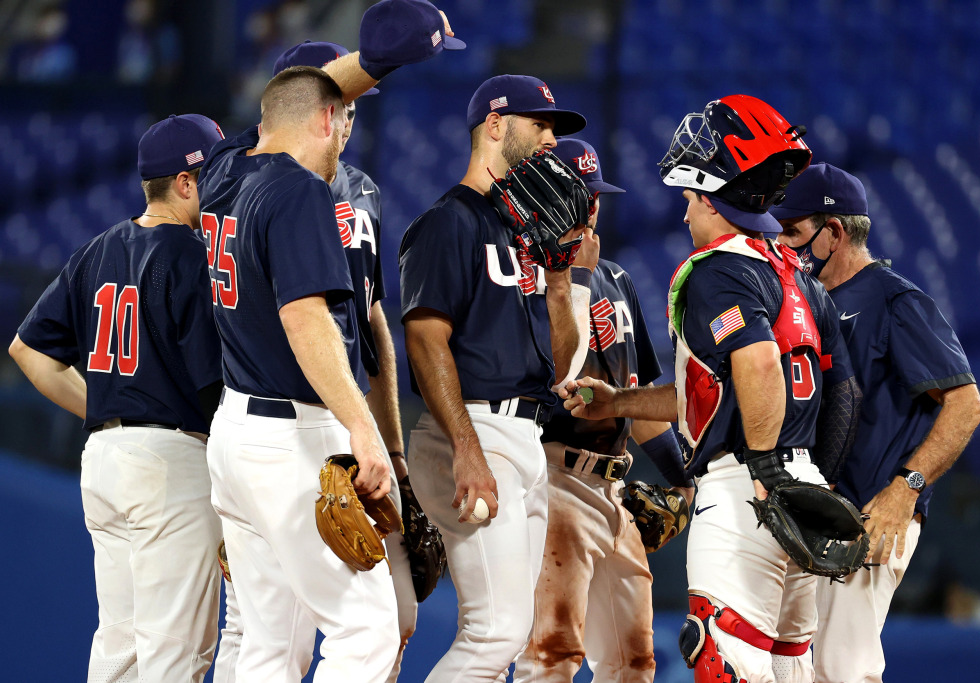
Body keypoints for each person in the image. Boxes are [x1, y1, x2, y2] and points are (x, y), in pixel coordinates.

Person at [564, 95, 861, 683]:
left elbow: (756, 366)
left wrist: (766, 472)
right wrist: (621, 402)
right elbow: (842, 393)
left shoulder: (717, 270)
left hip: (746, 485)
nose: (684, 216)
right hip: (801, 488)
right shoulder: (798, 275)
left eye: (690, 200)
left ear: (713, 194)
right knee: (791, 666)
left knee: (724, 661)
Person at [212, 40, 417, 683]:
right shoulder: (300, 190)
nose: (350, 122)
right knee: (368, 632)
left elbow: (283, 111)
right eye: (343, 106)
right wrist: (365, 430)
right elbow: (306, 322)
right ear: (326, 114)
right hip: (292, 433)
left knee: (272, 648)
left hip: (239, 428)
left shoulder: (227, 172)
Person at [9, 114, 226, 681]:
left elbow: (26, 351)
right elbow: (213, 390)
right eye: (215, 174)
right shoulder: (190, 255)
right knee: (176, 653)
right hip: (170, 464)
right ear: (185, 183)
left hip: (105, 461)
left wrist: (107, 409)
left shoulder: (96, 248)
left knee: (121, 645)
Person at [399, 74, 597, 681]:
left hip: (525, 437)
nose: (550, 140)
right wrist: (466, 447)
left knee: (508, 635)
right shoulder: (447, 223)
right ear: (494, 125)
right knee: (493, 632)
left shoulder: (529, 231)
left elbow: (564, 368)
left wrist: (562, 275)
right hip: (474, 430)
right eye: (540, 124)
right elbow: (424, 339)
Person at [771, 163, 980, 683]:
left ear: (835, 232)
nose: (784, 244)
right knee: (792, 669)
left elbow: (967, 404)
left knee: (842, 671)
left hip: (867, 517)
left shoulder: (894, 300)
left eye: (795, 232)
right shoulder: (811, 303)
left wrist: (905, 489)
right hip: (813, 515)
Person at [514, 137, 691, 683]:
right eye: (579, 194)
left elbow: (637, 399)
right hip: (555, 477)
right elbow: (563, 377)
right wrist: (578, 275)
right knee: (552, 656)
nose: (592, 207)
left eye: (596, 194)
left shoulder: (617, 278)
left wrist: (685, 475)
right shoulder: (527, 276)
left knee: (634, 662)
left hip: (615, 488)